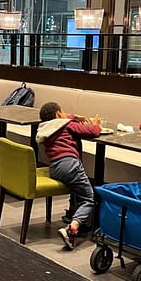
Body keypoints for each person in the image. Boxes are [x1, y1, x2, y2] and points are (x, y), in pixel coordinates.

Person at [36, 101, 101, 250]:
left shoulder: (45, 128)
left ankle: (73, 215)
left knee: (76, 188)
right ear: (59, 114)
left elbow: (62, 120)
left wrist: (74, 116)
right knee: (89, 198)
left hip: (55, 168)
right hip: (70, 165)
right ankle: (73, 226)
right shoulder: (67, 125)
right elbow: (92, 132)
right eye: (64, 112)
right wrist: (96, 124)